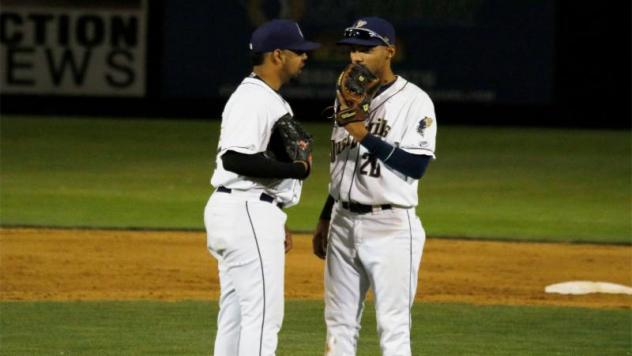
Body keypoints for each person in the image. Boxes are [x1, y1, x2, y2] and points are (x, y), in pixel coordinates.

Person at [312, 17, 437, 356]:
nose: (356, 57)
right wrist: (326, 215)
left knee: (393, 328)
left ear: (389, 52)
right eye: (352, 49)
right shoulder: (346, 97)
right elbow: (343, 166)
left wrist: (364, 135)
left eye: (366, 49)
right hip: (342, 221)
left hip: (391, 227)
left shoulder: (416, 101)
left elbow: (417, 166)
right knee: (338, 325)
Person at [204, 19, 319, 356]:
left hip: (245, 210)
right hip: (247, 210)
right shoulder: (254, 99)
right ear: (278, 55)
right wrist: (294, 169)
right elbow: (235, 159)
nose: (305, 57)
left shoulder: (261, 97)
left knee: (237, 316)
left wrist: (276, 215)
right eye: (299, 52)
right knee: (264, 317)